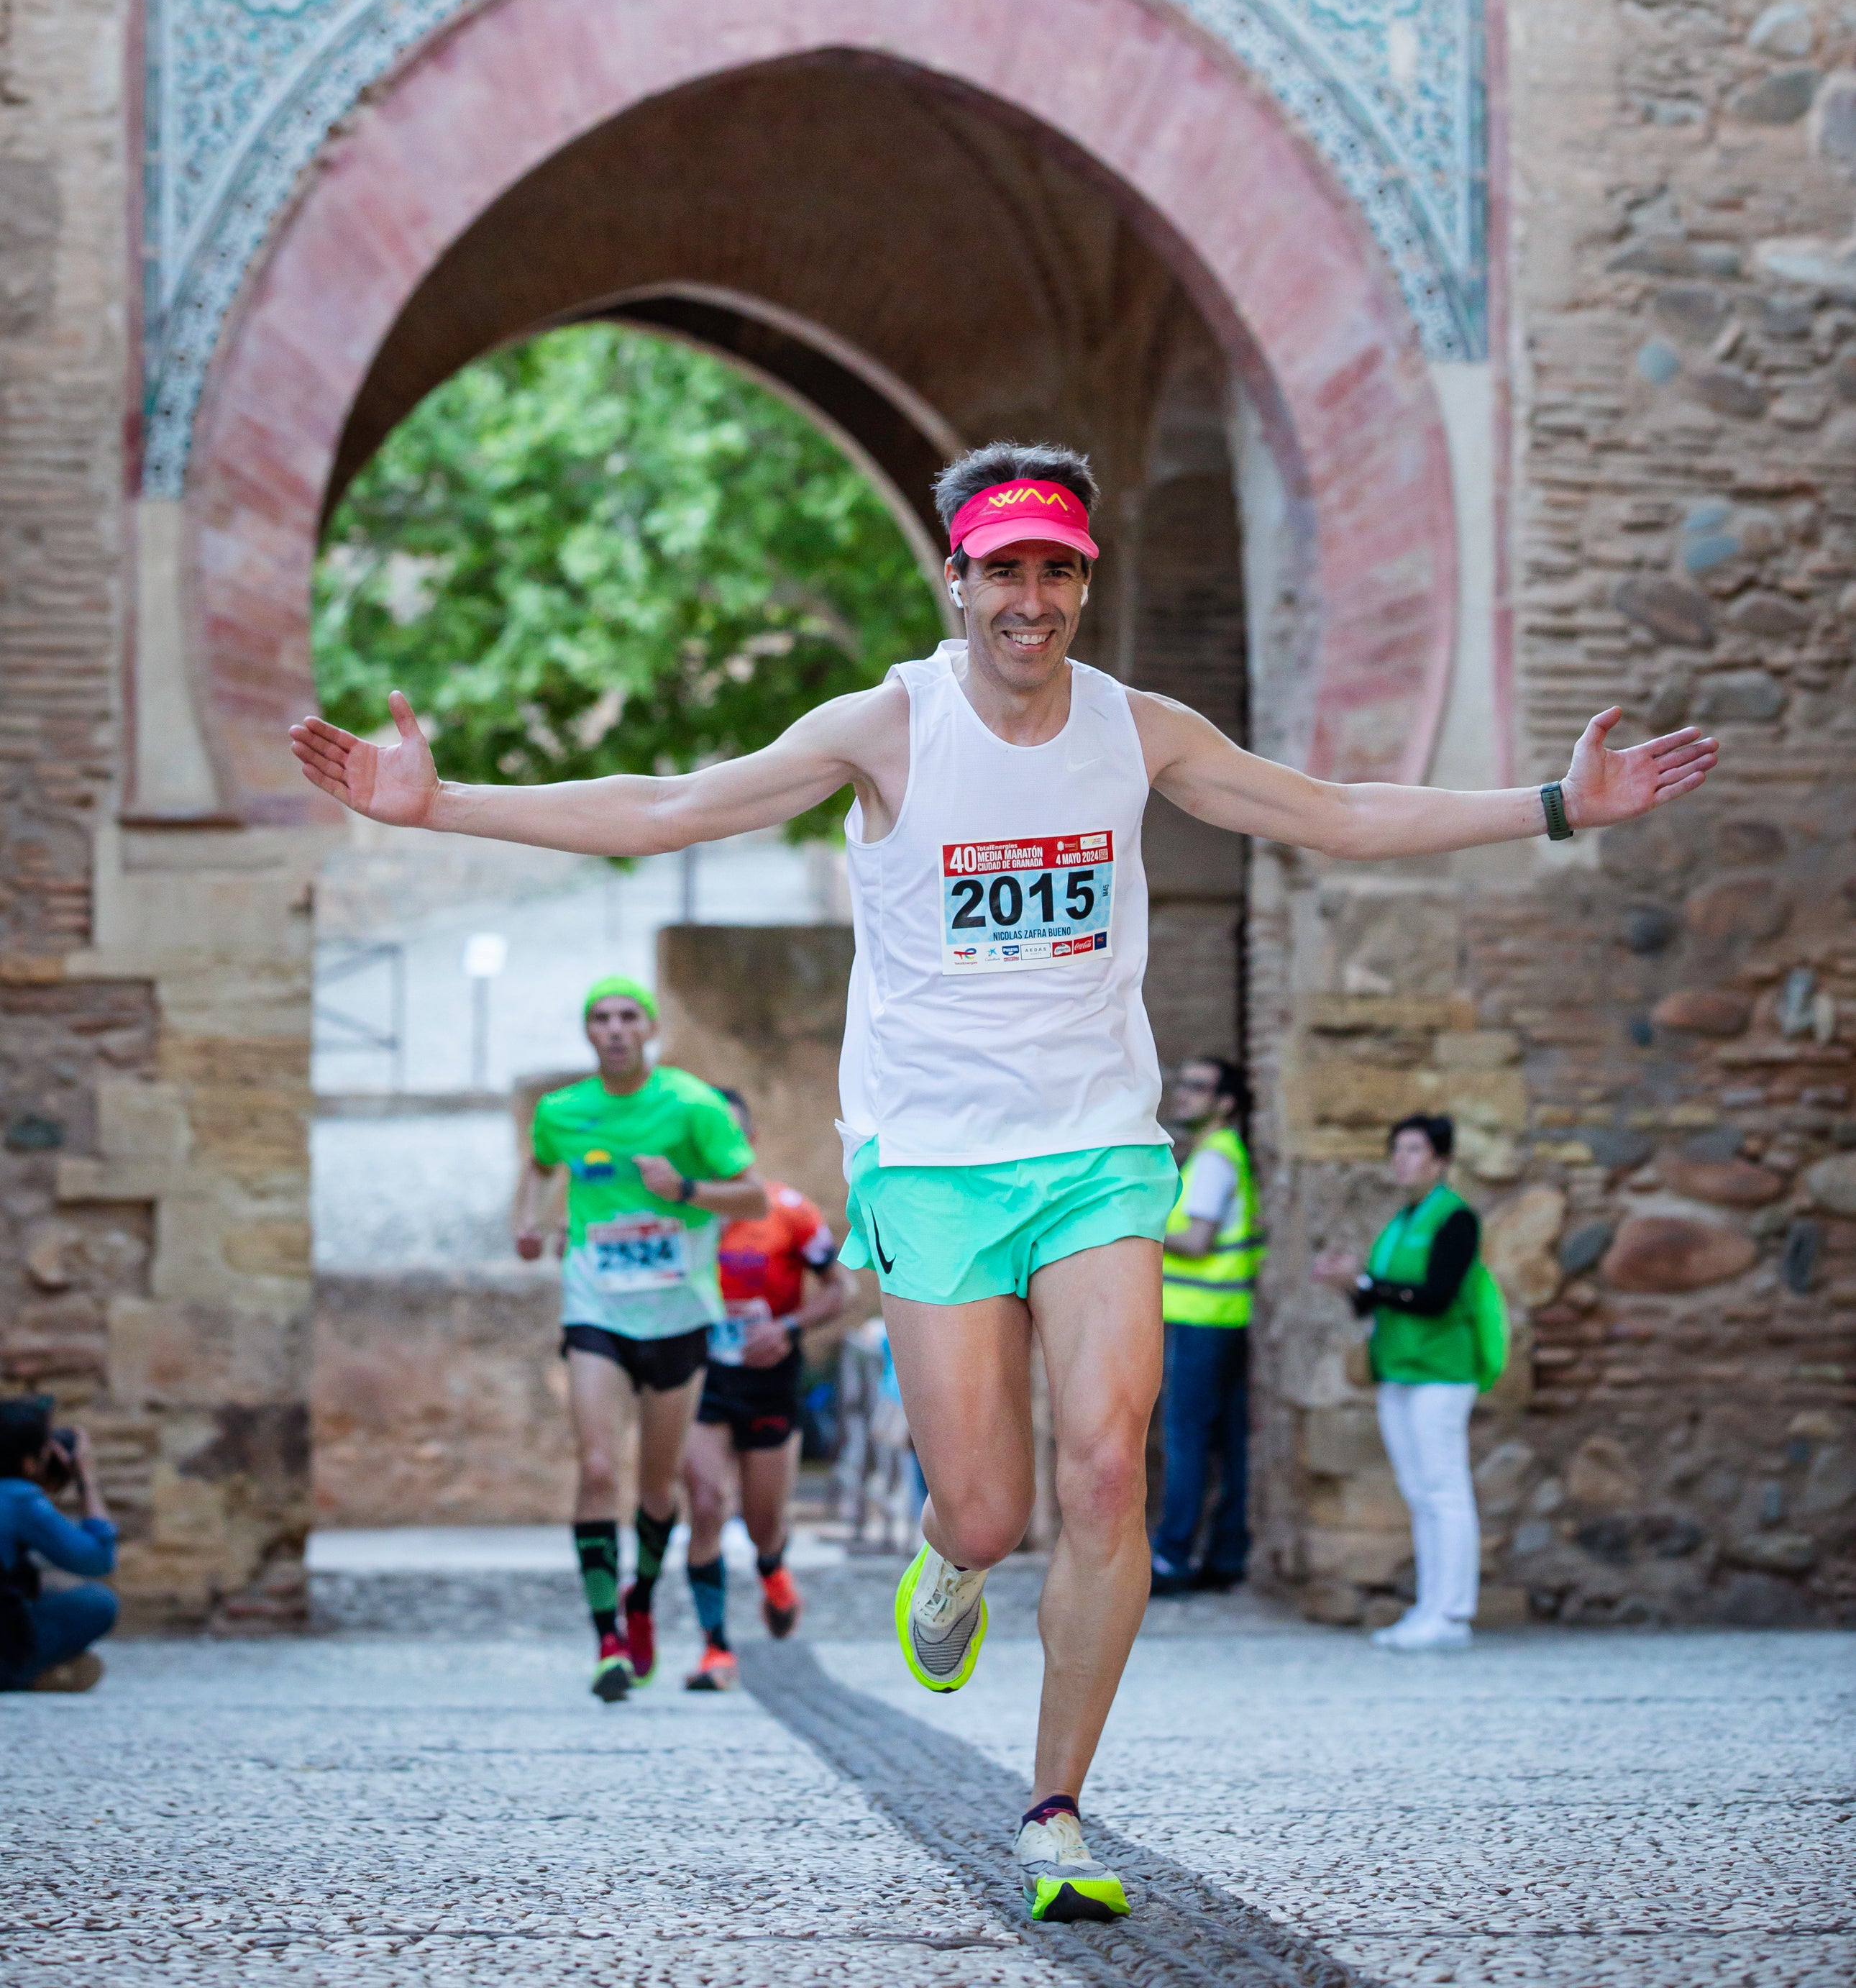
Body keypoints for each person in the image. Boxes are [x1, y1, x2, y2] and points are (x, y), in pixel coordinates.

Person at [291, 436, 1717, 1923]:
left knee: (1110, 1468)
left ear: (1082, 581)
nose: (1029, 598)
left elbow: (1338, 812)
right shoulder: (885, 726)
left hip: (1098, 1151)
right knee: (986, 1512)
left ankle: (1055, 1808)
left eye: (1057, 569)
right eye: (1003, 569)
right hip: (933, 1161)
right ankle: (951, 1561)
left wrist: (1555, 807)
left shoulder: (1138, 729)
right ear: (954, 577)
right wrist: (439, 804)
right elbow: (669, 804)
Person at [513, 977, 767, 1701]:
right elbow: (535, 1167)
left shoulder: (691, 1105)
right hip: (595, 1306)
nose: (615, 1028)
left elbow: (753, 1194)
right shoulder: (561, 1111)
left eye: (628, 1016)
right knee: (596, 1465)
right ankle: (607, 1641)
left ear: (649, 1026)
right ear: (587, 1031)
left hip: (679, 1314)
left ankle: (642, 1597)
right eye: (601, 1016)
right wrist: (526, 1222)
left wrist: (683, 1189)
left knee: (658, 1485)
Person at [679, 1088, 846, 1687]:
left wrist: (789, 1326)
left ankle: (773, 1569)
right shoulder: (675, 1213)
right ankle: (715, 1649)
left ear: (747, 1143)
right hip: (699, 1378)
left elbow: (838, 1290)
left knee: (761, 1522)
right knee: (703, 1505)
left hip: (771, 1377)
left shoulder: (788, 1210)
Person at [1312, 1111, 1494, 1651]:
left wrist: (1366, 1281)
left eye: (1413, 1149)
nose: (1400, 1159)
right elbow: (1377, 1298)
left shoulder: (1454, 1218)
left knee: (1445, 1491)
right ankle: (1428, 1607)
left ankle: (1453, 1613)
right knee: (1420, 1494)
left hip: (1442, 1372)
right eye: (1396, 1149)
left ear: (1440, 1160)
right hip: (1398, 1371)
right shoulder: (1400, 1221)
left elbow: (1435, 1296)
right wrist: (1348, 1283)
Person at [1150, 1055, 1262, 1598]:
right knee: (1222, 1439)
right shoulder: (1216, 1156)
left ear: (1226, 1103)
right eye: (1182, 1082)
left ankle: (1171, 1557)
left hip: (1202, 1319)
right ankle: (1223, 1553)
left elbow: (1196, 1240)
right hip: (1219, 1319)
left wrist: (1137, 1227)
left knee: (1187, 1439)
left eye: (1198, 1087)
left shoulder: (1215, 1159)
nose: (1183, 1094)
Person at [0, 1399, 119, 1693]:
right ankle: (23, 1673)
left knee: (43, 1584)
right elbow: (98, 1559)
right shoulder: (19, 1499)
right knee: (98, 1603)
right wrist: (85, 1478)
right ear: (29, 1463)